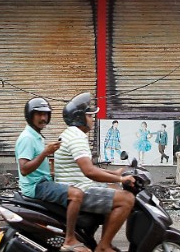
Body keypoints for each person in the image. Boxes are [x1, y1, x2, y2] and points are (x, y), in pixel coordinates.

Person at [54, 93, 135, 252]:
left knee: (114, 190)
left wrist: (114, 175)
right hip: (79, 190)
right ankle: (103, 246)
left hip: (76, 186)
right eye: (90, 116)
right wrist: (120, 178)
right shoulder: (77, 138)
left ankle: (102, 242)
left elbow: (89, 168)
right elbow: (89, 171)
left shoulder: (70, 134)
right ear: (80, 118)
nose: (93, 119)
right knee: (127, 199)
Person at [14, 97, 86, 252]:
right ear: (30, 115)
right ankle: (70, 239)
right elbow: (24, 169)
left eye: (46, 114)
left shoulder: (36, 135)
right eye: (39, 114)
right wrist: (46, 152)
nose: (43, 118)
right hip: (36, 186)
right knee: (76, 195)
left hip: (42, 182)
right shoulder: (27, 138)